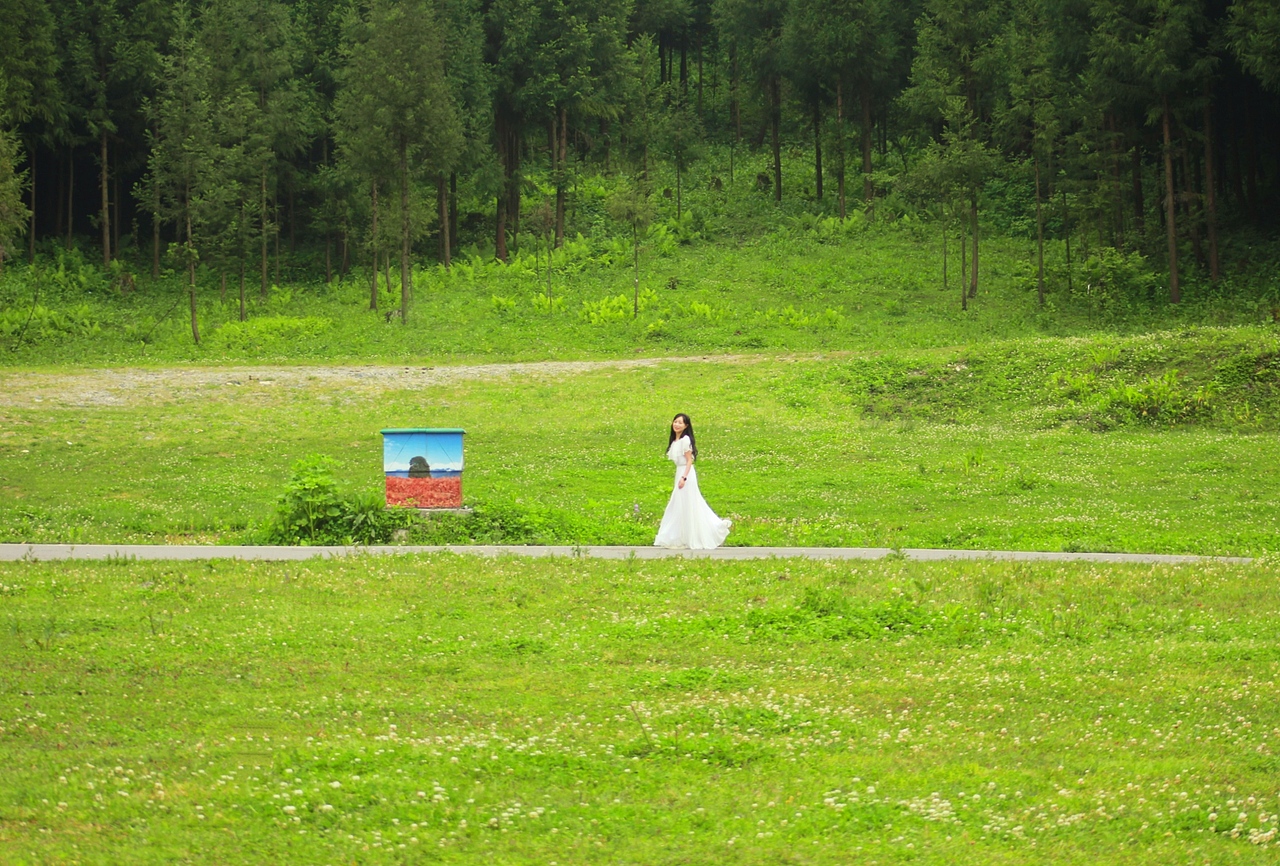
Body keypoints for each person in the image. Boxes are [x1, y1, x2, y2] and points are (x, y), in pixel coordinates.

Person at [654, 413, 732, 550]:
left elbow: (690, 460)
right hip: (680, 472)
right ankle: (680, 537)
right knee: (679, 505)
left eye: (680, 423)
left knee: (688, 504)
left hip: (686, 474)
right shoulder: (675, 442)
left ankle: (708, 530)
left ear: (686, 426)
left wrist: (684, 477)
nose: (677, 424)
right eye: (675, 422)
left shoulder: (685, 440)